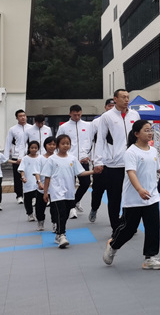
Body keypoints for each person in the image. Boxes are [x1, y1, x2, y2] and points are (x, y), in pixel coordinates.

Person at [103, 120, 160, 270]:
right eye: (146, 130)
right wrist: (139, 189)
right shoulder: (131, 152)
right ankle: (113, 245)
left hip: (152, 197)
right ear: (137, 134)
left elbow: (157, 168)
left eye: (151, 130)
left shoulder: (153, 150)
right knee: (129, 229)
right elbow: (131, 172)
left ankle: (150, 258)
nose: (150, 133)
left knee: (153, 228)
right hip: (134, 198)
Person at [93, 89, 140, 231]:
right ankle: (115, 227)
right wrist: (98, 161)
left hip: (132, 162)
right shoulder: (106, 117)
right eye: (123, 97)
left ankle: (127, 223)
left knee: (131, 196)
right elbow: (100, 139)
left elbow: (139, 137)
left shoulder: (135, 115)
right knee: (114, 198)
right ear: (115, 99)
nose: (126, 100)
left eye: (128, 97)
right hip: (114, 164)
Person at [42, 134, 99, 248]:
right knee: (61, 212)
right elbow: (47, 176)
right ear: (58, 145)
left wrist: (93, 171)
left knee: (66, 213)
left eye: (67, 143)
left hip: (69, 191)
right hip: (56, 191)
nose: (65, 145)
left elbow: (80, 173)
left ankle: (59, 233)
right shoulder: (52, 159)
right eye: (63, 143)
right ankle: (61, 235)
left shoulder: (72, 158)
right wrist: (45, 192)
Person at [57, 105, 95, 219]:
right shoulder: (64, 127)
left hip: (83, 160)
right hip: (69, 160)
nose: (77, 117)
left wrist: (88, 156)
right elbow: (58, 143)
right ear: (70, 114)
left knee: (86, 183)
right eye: (74, 115)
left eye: (79, 115)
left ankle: (75, 201)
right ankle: (72, 209)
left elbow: (92, 142)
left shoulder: (88, 125)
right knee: (70, 185)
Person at [89, 98, 115, 223]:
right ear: (105, 107)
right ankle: (94, 208)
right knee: (97, 191)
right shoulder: (96, 122)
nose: (111, 108)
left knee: (114, 193)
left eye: (113, 106)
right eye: (109, 105)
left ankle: (115, 218)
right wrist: (92, 158)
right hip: (100, 162)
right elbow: (89, 140)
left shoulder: (119, 121)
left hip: (115, 163)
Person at [18, 141, 45, 228]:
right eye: (32, 148)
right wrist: (23, 177)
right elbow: (22, 169)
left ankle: (38, 214)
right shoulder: (25, 158)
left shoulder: (41, 158)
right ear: (29, 148)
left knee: (38, 199)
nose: (34, 149)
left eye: (35, 148)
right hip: (28, 182)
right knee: (27, 199)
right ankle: (30, 213)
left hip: (38, 182)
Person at [5, 109, 29, 204]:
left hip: (29, 155)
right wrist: (6, 157)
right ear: (17, 118)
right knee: (17, 177)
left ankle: (31, 195)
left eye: (24, 115)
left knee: (30, 175)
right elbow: (8, 143)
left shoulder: (31, 128)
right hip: (16, 156)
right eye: (20, 116)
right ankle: (19, 195)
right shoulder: (13, 129)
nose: (23, 117)